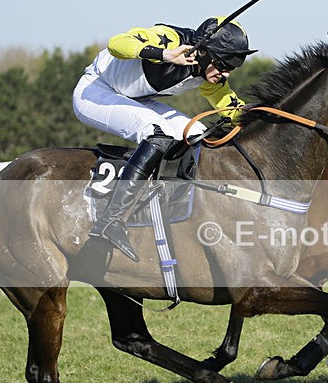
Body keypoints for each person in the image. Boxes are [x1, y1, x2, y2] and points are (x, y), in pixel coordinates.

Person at [73, 16, 255, 261]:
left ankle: (173, 207)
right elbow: (117, 43)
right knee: (156, 133)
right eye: (222, 65)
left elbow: (230, 108)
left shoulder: (208, 73)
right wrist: (165, 55)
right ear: (203, 51)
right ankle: (110, 220)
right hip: (95, 91)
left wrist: (260, 118)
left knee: (197, 134)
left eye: (231, 68)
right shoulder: (169, 38)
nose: (226, 74)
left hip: (133, 98)